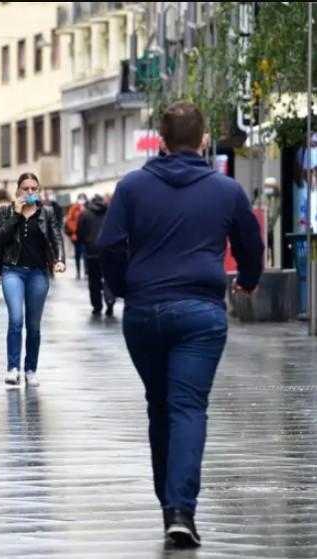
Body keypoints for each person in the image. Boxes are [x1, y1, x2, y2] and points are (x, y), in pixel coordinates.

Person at [97, 101, 264, 548]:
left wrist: (125, 287)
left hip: (144, 313)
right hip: (200, 313)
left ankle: (167, 502)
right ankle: (180, 509)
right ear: (205, 140)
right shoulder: (225, 190)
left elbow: (108, 246)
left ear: (161, 140)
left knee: (160, 405)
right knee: (187, 407)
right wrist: (247, 281)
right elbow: (251, 245)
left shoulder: (132, 187)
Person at [0, 173, 66, 387]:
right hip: (12, 271)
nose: (30, 192)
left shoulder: (47, 212)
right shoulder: (6, 211)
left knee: (33, 326)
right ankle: (12, 368)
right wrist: (15, 215)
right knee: (15, 319)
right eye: (26, 188)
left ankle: (31, 369)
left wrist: (59, 260)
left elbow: (56, 237)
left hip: (38, 273)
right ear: (18, 191)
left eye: (34, 188)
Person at [78, 194, 115, 317]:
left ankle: (97, 306)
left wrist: (86, 242)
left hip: (91, 251)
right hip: (108, 250)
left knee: (94, 280)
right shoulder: (110, 212)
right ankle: (110, 301)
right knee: (108, 278)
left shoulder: (85, 214)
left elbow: (80, 233)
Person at [65, 194, 88, 279]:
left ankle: (86, 271)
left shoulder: (87, 207)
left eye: (83, 199)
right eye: (80, 199)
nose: (82, 200)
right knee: (78, 253)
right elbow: (69, 220)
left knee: (86, 253)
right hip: (76, 235)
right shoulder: (74, 208)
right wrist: (75, 230)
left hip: (86, 234)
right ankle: (78, 272)